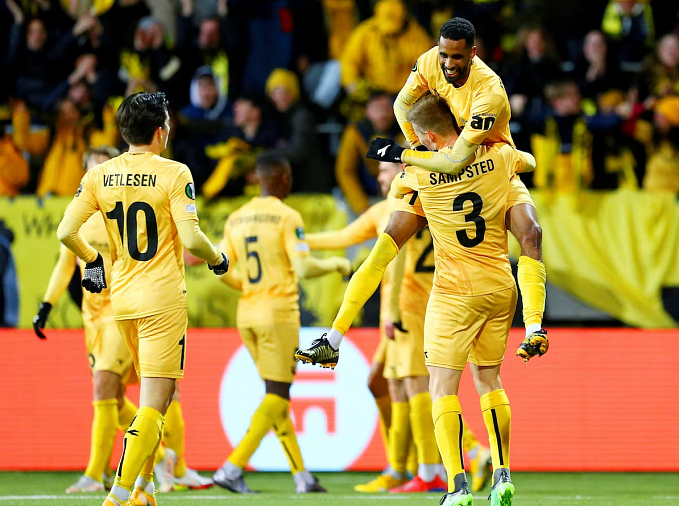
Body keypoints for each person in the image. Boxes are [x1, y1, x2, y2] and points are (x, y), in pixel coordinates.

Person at [296, 17, 548, 369]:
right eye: (444, 55)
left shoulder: (489, 92)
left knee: (531, 233)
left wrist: (404, 156)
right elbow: (402, 106)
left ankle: (534, 328)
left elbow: (455, 161)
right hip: (487, 167)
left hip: (482, 168)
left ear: (472, 54)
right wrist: (419, 151)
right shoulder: (430, 62)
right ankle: (333, 339)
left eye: (457, 57)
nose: (448, 64)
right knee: (383, 249)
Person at [56, 91, 229, 506]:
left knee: (151, 400)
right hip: (162, 299)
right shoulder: (174, 172)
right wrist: (217, 259)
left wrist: (92, 260)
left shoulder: (100, 174)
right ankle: (118, 495)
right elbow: (191, 238)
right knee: (156, 401)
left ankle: (145, 488)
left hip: (123, 300)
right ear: (160, 131)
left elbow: (65, 231)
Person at [306, 162, 491, 493]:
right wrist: (300, 240)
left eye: (385, 170)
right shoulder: (422, 201)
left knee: (418, 386)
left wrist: (391, 311)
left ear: (404, 169)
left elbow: (399, 257)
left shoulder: (402, 205)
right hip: (415, 306)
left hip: (410, 307)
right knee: (385, 383)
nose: (379, 177)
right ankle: (402, 467)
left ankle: (445, 463)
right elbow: (343, 236)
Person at [390, 93, 535, 506]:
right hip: (500, 286)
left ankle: (458, 486)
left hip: (454, 293)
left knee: (441, 388)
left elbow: (398, 188)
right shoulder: (498, 156)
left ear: (429, 137)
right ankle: (502, 476)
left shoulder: (418, 175)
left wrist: (408, 159)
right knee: (489, 380)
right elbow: (528, 161)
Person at [212, 154, 350, 494]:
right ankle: (231, 468)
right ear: (284, 178)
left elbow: (220, 266)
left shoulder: (236, 217)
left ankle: (302, 477)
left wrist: (247, 285)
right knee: (278, 393)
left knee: (276, 395)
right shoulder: (287, 216)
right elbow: (302, 268)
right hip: (277, 315)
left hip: (247, 314)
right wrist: (335, 264)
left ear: (258, 179)